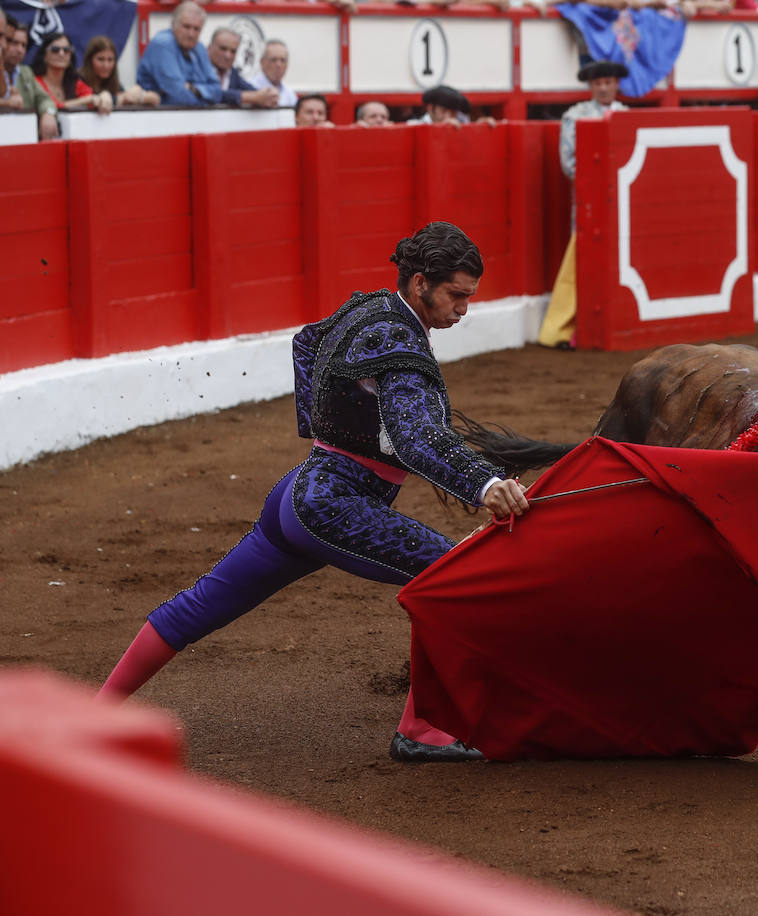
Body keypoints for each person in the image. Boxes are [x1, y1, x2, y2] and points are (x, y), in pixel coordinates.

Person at [98, 222, 531, 764]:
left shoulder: (371, 308)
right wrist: (485, 482)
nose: (463, 309)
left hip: (298, 495)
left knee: (198, 607)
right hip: (336, 506)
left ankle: (94, 713)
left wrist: (327, 425)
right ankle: (421, 727)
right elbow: (418, 437)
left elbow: (306, 342)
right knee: (453, 578)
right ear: (421, 283)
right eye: (457, 295)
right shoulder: (400, 340)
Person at [537, 59, 628, 350]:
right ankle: (568, 330)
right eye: (598, 83)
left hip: (623, 203)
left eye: (608, 82)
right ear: (591, 86)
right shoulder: (574, 116)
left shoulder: (627, 116)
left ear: (616, 84)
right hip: (592, 203)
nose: (603, 87)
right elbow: (569, 164)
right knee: (584, 261)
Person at [136, 1, 220, 107]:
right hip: (157, 117)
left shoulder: (199, 47)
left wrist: (193, 89)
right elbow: (179, 96)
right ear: (173, 25)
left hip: (188, 117)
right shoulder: (163, 44)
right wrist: (205, 101)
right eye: (186, 27)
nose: (191, 34)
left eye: (196, 29)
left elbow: (217, 91)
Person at [31, 32, 111, 114]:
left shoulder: (74, 81)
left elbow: (93, 98)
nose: (61, 54)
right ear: (44, 56)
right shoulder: (35, 81)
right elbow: (52, 106)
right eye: (55, 50)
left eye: (66, 50)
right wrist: (86, 100)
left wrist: (104, 95)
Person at [80, 34, 160, 107]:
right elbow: (92, 102)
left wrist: (139, 96)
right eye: (101, 59)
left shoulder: (113, 82)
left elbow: (155, 99)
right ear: (89, 60)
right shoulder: (78, 79)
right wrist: (124, 97)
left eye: (110, 60)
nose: (106, 65)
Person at [206, 27, 278, 108]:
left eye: (233, 51)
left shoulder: (232, 73)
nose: (228, 55)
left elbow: (253, 92)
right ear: (209, 48)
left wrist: (268, 95)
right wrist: (248, 97)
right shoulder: (198, 69)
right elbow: (210, 93)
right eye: (223, 49)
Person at [249, 38, 297, 108]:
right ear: (262, 63)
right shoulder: (250, 87)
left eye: (283, 60)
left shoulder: (290, 94)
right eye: (273, 60)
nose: (279, 65)